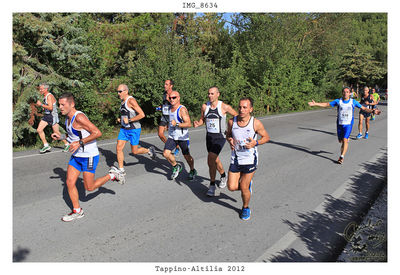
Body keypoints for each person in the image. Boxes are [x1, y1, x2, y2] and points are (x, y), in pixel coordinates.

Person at [51, 93, 124, 222]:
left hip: (88, 156)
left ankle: (112, 175)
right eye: (59, 105)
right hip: (77, 156)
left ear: (71, 104)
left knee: (89, 188)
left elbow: (97, 132)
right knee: (69, 182)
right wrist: (61, 137)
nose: (60, 107)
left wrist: (79, 143)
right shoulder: (67, 119)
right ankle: (77, 211)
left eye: (63, 104)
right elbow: (74, 137)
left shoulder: (79, 117)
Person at [308, 87, 381, 164]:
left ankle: (341, 157)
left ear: (350, 93)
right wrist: (315, 104)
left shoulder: (353, 102)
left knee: (345, 140)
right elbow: (327, 104)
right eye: (344, 92)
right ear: (342, 93)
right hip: (340, 124)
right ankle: (343, 146)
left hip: (348, 124)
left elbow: (364, 108)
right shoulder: (338, 101)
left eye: (347, 92)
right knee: (341, 141)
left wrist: (372, 111)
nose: (345, 93)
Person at [226, 97, 270, 221]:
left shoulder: (255, 123)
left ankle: (245, 207)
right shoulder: (231, 121)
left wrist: (255, 143)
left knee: (244, 187)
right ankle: (247, 187)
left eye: (245, 107)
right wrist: (229, 139)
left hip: (250, 159)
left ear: (251, 109)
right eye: (240, 107)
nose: (241, 109)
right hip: (236, 158)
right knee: (231, 187)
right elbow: (228, 134)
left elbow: (266, 137)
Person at [193, 86, 238, 196]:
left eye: (212, 94)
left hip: (220, 137)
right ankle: (223, 176)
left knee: (210, 159)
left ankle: (212, 185)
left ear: (218, 94)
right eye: (209, 93)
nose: (210, 96)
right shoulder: (205, 106)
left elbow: (236, 116)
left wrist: (231, 130)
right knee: (215, 159)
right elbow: (203, 118)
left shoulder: (224, 106)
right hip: (209, 137)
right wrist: (198, 123)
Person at [113, 84, 156, 182]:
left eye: (120, 91)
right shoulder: (122, 101)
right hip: (124, 129)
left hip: (134, 129)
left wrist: (130, 120)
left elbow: (142, 114)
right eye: (117, 91)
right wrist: (121, 119)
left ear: (126, 91)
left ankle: (149, 151)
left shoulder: (131, 100)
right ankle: (121, 170)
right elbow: (126, 114)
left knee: (135, 151)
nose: (118, 93)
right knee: (118, 147)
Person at [162, 91, 197, 180]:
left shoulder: (182, 109)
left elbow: (189, 124)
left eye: (174, 97)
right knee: (166, 153)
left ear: (178, 98)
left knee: (187, 156)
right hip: (172, 136)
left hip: (182, 137)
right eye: (170, 98)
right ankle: (176, 166)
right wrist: (168, 125)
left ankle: (192, 170)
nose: (172, 99)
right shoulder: (170, 108)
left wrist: (177, 124)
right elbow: (171, 120)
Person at [36, 83, 69, 153]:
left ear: (46, 89)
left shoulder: (49, 96)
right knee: (39, 130)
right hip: (47, 116)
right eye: (40, 89)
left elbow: (51, 108)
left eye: (42, 89)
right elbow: (48, 107)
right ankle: (46, 145)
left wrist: (41, 104)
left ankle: (67, 144)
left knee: (56, 132)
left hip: (52, 116)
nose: (40, 90)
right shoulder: (45, 96)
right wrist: (44, 108)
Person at [157, 79, 180, 156]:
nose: (164, 86)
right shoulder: (164, 94)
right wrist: (160, 107)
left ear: (171, 86)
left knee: (174, 135)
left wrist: (169, 100)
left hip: (171, 116)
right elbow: (164, 103)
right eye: (165, 84)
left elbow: (177, 105)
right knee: (160, 134)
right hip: (164, 116)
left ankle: (177, 147)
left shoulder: (174, 94)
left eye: (166, 84)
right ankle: (169, 146)